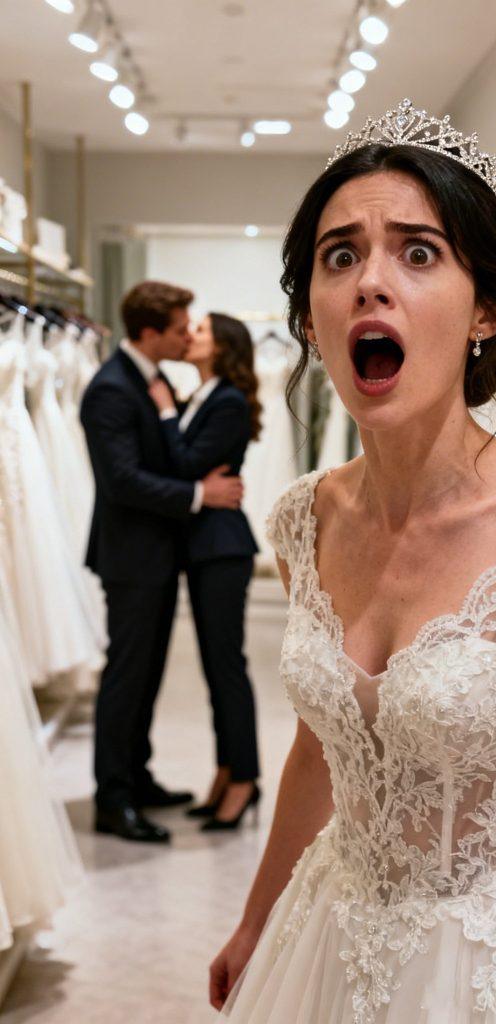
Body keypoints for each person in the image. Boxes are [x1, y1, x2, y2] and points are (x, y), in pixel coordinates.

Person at [209, 100, 496, 1022]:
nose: (371, 282)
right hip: (326, 937)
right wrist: (256, 920)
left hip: (495, 969)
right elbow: (321, 749)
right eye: (340, 256)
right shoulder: (304, 520)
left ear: (486, 309)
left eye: (418, 252)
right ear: (311, 316)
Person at [81, 281, 243, 844]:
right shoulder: (110, 389)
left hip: (156, 555)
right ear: (150, 333)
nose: (185, 337)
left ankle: (137, 775)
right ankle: (113, 798)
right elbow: (122, 481)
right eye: (178, 329)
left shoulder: (152, 380)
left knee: (146, 674)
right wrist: (200, 495)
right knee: (127, 676)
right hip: (131, 557)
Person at [149, 312, 261, 831]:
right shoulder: (207, 394)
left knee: (226, 667)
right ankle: (226, 771)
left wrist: (166, 412)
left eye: (200, 331)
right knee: (216, 669)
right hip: (204, 545)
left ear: (221, 347)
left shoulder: (228, 401)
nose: (189, 336)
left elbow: (185, 464)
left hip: (222, 547)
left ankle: (244, 780)